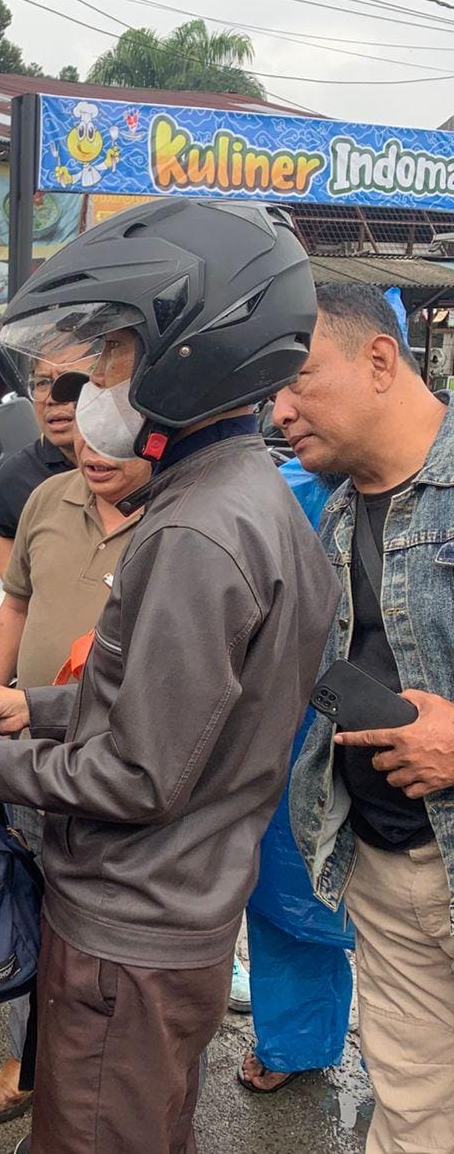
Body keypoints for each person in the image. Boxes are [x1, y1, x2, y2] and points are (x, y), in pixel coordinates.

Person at [0, 198, 337, 1154]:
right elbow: (195, 708)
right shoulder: (252, 499)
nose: (93, 386)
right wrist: (34, 705)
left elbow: (137, 775)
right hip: (182, 915)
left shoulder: (189, 534)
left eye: (116, 356)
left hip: (128, 938)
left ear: (193, 359)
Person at [277, 282, 454, 1154]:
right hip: (384, 870)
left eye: (298, 378)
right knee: (412, 1111)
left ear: (379, 359)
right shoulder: (336, 513)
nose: (279, 410)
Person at [0, 421, 150, 1125]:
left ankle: (106, 1087)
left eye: (114, 439)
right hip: (27, 754)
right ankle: (29, 1061)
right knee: (25, 916)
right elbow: (15, 603)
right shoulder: (46, 498)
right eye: (87, 438)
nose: (93, 452)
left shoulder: (176, 520)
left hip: (118, 772)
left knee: (107, 948)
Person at [238, 457, 356, 1096]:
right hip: (294, 728)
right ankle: (296, 1041)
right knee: (290, 895)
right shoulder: (283, 489)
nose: (284, 408)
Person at [0, 345, 92, 577]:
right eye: (42, 383)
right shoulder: (17, 476)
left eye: (70, 381)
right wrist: (24, 599)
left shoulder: (141, 460)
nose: (52, 398)